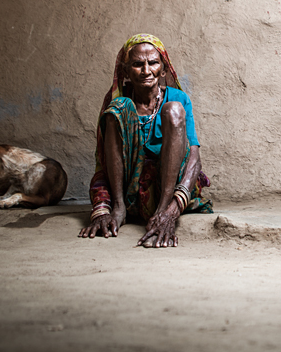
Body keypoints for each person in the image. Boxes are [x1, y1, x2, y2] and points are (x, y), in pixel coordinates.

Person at [79, 34, 211, 247]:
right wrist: (105, 209)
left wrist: (170, 213)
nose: (146, 70)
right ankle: (120, 207)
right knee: (117, 108)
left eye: (153, 63)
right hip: (129, 191)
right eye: (137, 64)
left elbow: (194, 157)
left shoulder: (178, 98)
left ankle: (160, 211)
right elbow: (104, 162)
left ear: (164, 69)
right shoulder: (118, 102)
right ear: (126, 72)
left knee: (174, 110)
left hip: (166, 189)